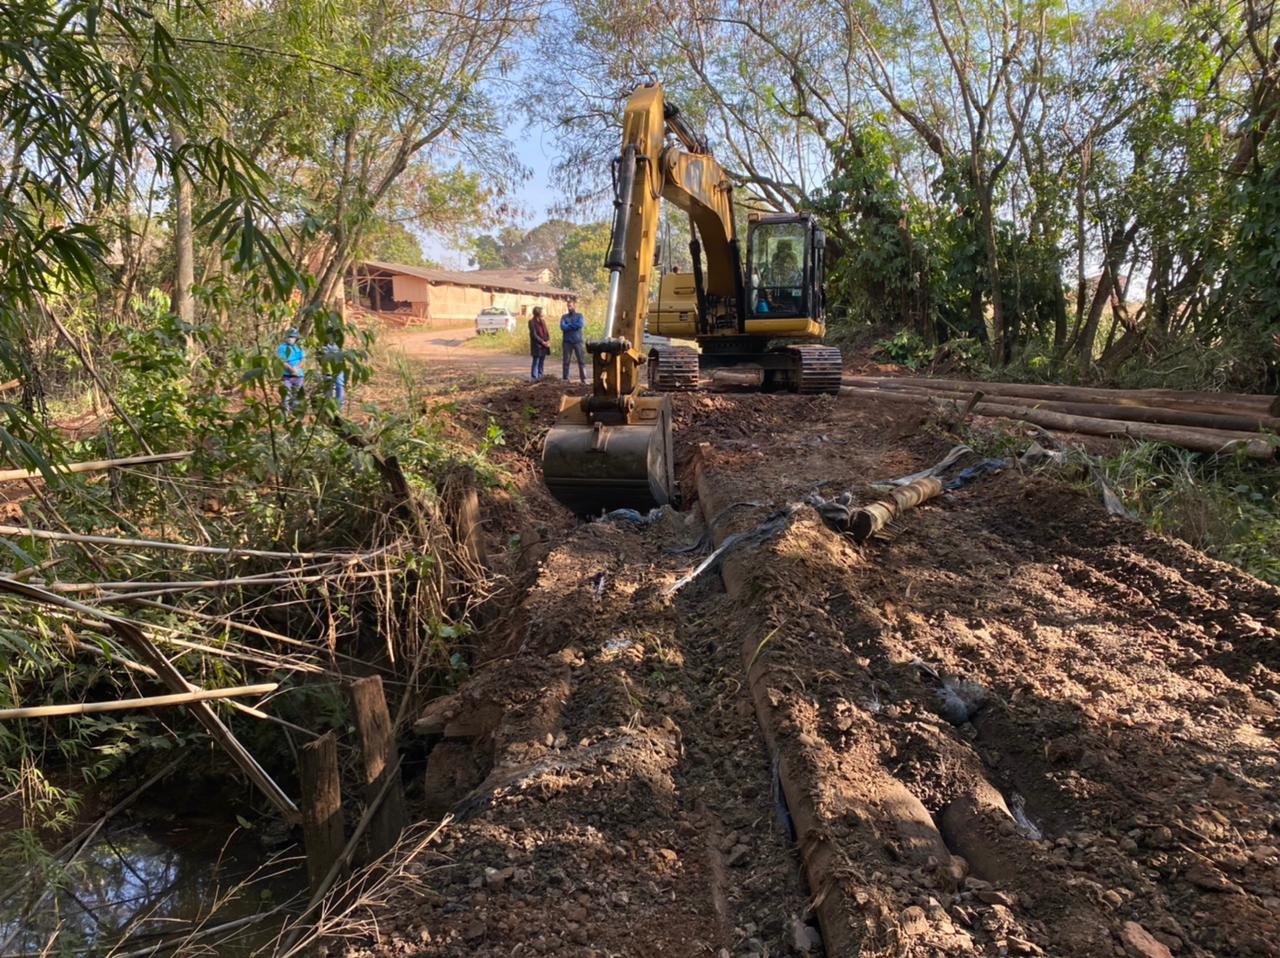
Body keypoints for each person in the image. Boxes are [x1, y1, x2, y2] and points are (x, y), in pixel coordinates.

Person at [560, 295, 587, 384]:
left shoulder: (579, 316)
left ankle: (583, 379)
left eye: (570, 306)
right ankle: (565, 379)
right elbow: (562, 327)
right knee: (566, 361)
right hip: (567, 342)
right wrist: (573, 326)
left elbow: (580, 325)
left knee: (581, 361)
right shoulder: (564, 317)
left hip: (578, 342)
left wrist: (569, 325)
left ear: (574, 306)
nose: (569, 307)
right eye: (568, 306)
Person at [277, 327, 304, 411]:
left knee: (296, 397)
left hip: (298, 375)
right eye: (289, 336)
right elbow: (282, 361)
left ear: (296, 338)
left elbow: (302, 359)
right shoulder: (282, 347)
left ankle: (293, 413)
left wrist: (297, 368)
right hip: (287, 376)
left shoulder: (298, 347)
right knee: (286, 396)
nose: (290, 339)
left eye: (292, 337)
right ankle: (285, 413)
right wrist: (291, 370)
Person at [528, 306, 551, 382]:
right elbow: (534, 335)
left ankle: (541, 377)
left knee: (541, 362)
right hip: (537, 345)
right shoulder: (531, 322)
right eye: (542, 311)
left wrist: (548, 341)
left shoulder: (543, 321)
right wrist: (542, 342)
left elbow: (546, 332)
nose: (543, 313)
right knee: (536, 361)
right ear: (538, 313)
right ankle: (534, 378)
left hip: (544, 345)